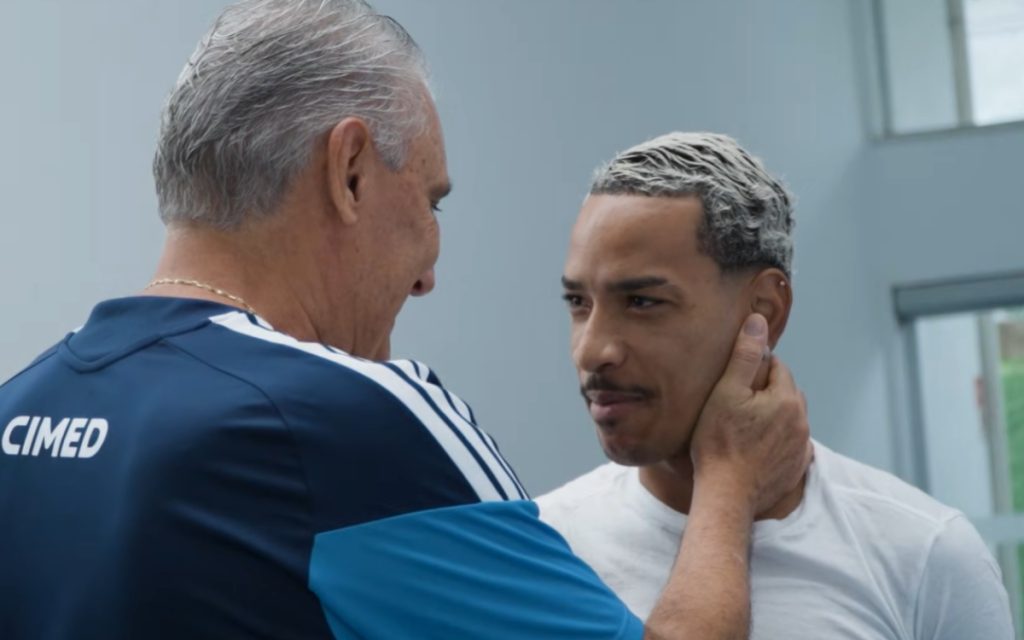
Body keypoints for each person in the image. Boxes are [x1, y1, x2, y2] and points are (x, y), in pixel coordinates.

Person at [0, 3, 810, 639]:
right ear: (349, 172)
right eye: (429, 202)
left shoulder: (17, 412)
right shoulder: (342, 421)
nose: (427, 276)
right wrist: (731, 478)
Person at [537, 131, 1015, 639]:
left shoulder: (924, 555)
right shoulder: (542, 549)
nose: (592, 351)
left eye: (642, 302)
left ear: (764, 309)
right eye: (578, 304)